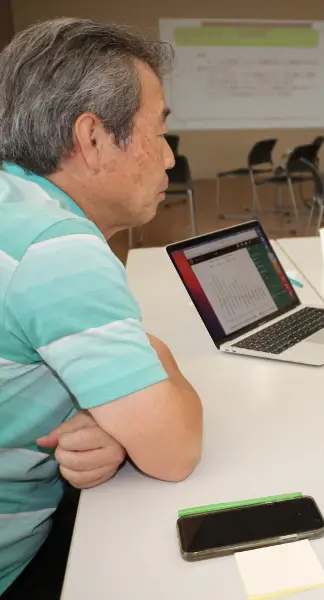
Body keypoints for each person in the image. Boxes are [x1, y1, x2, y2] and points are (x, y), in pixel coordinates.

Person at [0, 18, 204, 599]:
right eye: (158, 132)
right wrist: (153, 359)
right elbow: (174, 452)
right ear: (92, 139)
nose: (168, 158)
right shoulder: (55, 248)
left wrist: (116, 418)